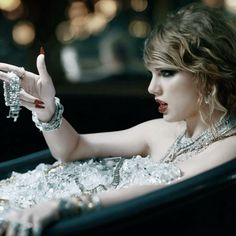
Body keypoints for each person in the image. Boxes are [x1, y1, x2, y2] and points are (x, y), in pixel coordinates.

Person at [0, 2, 236, 235]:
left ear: (209, 75)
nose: (152, 88)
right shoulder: (160, 130)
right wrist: (46, 108)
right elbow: (72, 149)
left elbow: (165, 188)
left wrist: (67, 206)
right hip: (24, 198)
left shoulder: (230, 144)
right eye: (152, 74)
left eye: (166, 73)